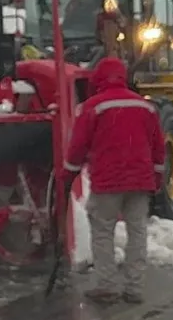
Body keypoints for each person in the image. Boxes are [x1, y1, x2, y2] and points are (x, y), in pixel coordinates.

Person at [60, 56, 165, 304]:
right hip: (140, 181)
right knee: (137, 231)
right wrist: (157, 176)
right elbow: (158, 147)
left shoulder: (93, 107)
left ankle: (107, 285)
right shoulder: (145, 107)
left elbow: (77, 147)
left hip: (108, 182)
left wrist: (68, 174)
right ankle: (135, 287)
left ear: (98, 79)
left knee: (103, 231)